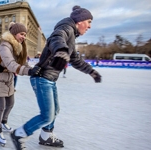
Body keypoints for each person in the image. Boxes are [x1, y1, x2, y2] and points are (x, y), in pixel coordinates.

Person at [11, 5, 102, 150]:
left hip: (50, 79)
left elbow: (75, 60)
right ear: (80, 21)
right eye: (89, 21)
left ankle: (46, 136)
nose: (90, 26)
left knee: (55, 111)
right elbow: (57, 38)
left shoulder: (72, 36)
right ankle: (19, 134)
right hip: (42, 77)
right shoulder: (66, 28)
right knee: (47, 115)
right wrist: (61, 50)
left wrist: (91, 71)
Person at [0, 22, 35, 146]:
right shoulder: (5, 46)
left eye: (25, 35)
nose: (24, 37)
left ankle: (3, 121)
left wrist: (34, 69)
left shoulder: (18, 46)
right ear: (14, 34)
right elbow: (11, 65)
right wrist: (30, 72)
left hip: (8, 79)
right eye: (21, 34)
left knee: (11, 103)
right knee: (1, 106)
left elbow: (22, 63)